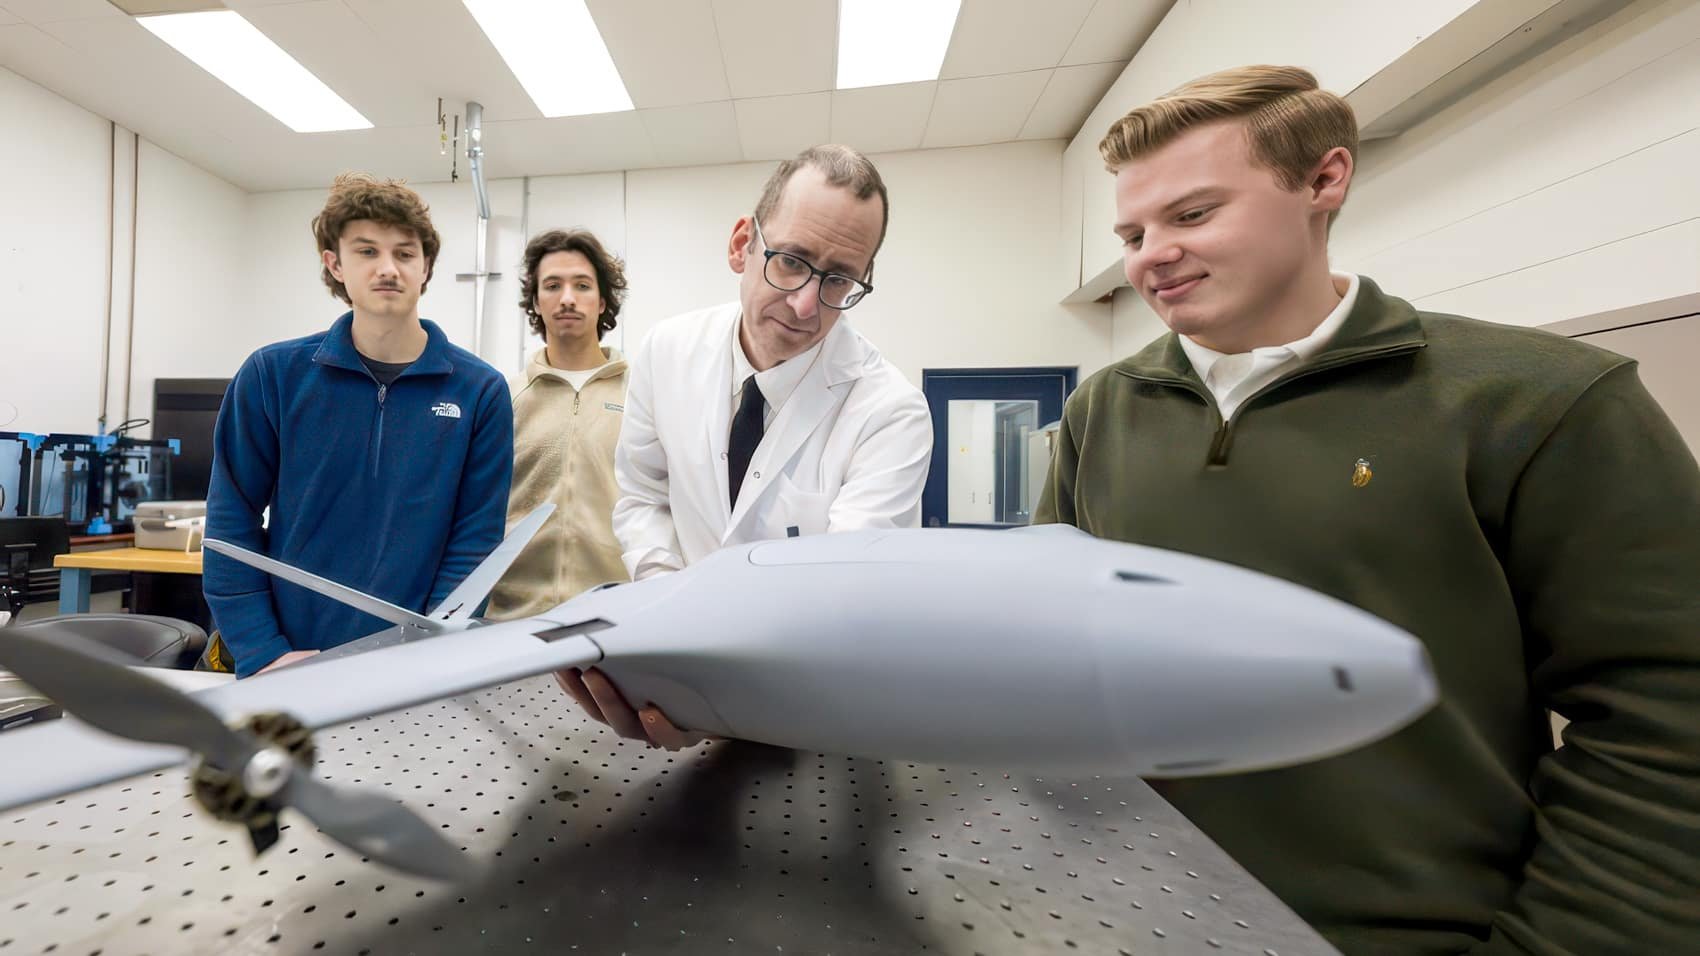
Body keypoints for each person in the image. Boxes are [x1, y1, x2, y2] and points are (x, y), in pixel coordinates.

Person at [1034, 64, 1700, 955]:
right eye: (1133, 230)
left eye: (1192, 215)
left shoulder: (1539, 401)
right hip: (1125, 913)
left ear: (1323, 180)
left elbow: (1667, 715)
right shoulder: (1102, 411)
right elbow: (1045, 656)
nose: (1150, 254)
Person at [558, 145, 933, 748]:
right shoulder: (666, 351)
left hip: (819, 709)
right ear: (742, 245)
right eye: (791, 261)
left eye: (839, 279)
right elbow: (644, 495)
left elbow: (844, 592)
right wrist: (665, 623)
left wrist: (718, 698)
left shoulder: (891, 411)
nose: (806, 304)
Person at [203, 173, 514, 678]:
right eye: (366, 251)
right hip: (289, 662)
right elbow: (230, 523)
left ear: (426, 266)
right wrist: (262, 651)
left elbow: (475, 541)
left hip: (416, 665)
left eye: (405, 253)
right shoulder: (272, 375)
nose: (388, 268)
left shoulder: (480, 392)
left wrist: (432, 647)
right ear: (335, 264)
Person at [486, 229, 631, 619]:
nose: (567, 298)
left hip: (616, 618)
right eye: (553, 285)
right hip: (511, 621)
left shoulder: (641, 396)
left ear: (602, 301)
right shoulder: (503, 398)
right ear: (535, 300)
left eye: (582, 285)